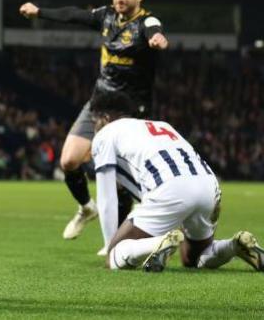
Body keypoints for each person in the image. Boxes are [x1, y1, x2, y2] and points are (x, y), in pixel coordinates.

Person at [19, 0, 168, 247]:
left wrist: (158, 39)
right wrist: (39, 12)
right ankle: (87, 208)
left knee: (120, 180)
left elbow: (155, 29)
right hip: (99, 102)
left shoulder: (147, 22)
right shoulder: (107, 16)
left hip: (130, 111)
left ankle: (119, 241)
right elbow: (74, 15)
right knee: (69, 161)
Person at [88, 91, 264, 272]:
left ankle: (158, 242)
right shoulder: (161, 125)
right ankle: (234, 246)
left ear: (105, 117)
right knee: (193, 258)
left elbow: (107, 197)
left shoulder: (104, 134)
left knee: (115, 254)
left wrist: (110, 246)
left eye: (93, 122)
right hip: (209, 186)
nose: (93, 128)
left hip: (170, 188)